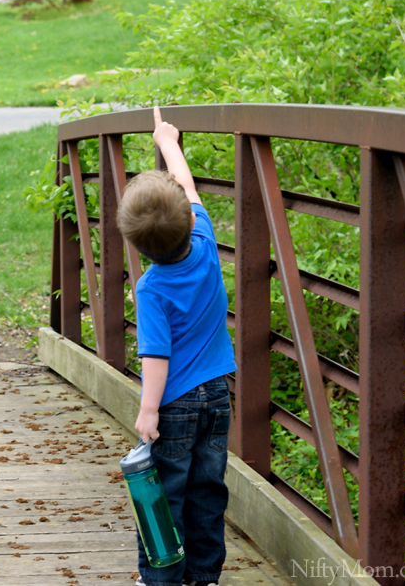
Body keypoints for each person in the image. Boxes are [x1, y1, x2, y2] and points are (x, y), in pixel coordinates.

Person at [116, 107, 237, 586]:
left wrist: (148, 412)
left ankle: (163, 579)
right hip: (217, 395)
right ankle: (205, 575)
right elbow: (187, 188)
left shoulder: (150, 289)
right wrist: (168, 142)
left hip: (176, 406)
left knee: (166, 492)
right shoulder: (205, 241)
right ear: (189, 222)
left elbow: (156, 358)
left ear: (139, 246)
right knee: (208, 488)